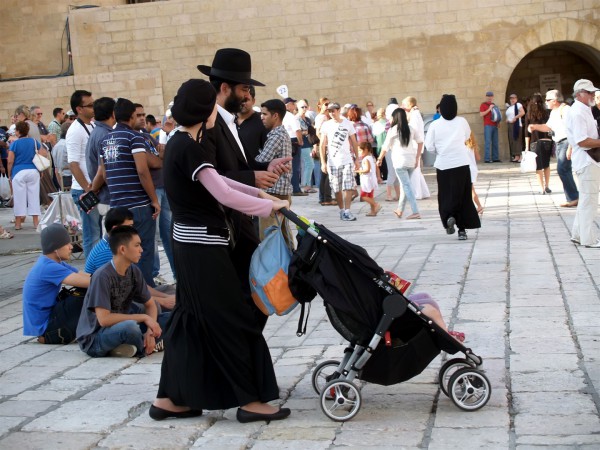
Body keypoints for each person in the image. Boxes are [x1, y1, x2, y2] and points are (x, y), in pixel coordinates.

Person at [151, 79, 291, 423]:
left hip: (190, 245)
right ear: (206, 111)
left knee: (190, 320)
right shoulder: (190, 147)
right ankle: (249, 400)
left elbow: (222, 182)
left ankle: (170, 398)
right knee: (234, 318)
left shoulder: (181, 143)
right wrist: (270, 208)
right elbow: (224, 195)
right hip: (201, 248)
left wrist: (260, 195)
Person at [197, 47, 290, 330]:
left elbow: (238, 163)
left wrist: (265, 168)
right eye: (245, 89)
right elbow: (212, 176)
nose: (249, 96)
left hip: (239, 223)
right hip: (223, 228)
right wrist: (252, 179)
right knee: (244, 301)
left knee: (254, 300)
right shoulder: (208, 126)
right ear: (226, 88)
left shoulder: (230, 122)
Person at [90, 98, 160, 288]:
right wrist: (154, 200)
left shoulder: (105, 140)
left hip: (117, 207)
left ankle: (127, 289)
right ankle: (146, 292)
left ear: (115, 115)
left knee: (123, 252)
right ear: (131, 116)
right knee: (142, 251)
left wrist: (91, 190)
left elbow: (103, 173)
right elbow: (142, 170)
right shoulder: (135, 138)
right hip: (138, 205)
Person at [76, 225, 170, 357]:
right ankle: (150, 345)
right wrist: (144, 317)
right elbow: (104, 320)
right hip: (96, 338)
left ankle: (138, 344)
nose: (141, 250)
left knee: (173, 317)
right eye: (137, 245)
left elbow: (150, 304)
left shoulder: (134, 271)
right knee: (130, 327)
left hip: (121, 326)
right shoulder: (102, 276)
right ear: (122, 249)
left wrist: (150, 330)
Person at [85, 207, 176, 311]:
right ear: (115, 229)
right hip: (111, 302)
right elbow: (124, 294)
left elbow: (138, 286)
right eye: (129, 227)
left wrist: (166, 297)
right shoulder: (106, 253)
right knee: (156, 305)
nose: (133, 230)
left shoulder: (119, 247)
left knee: (169, 290)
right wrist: (163, 300)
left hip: (128, 293)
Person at [22, 223, 91, 344]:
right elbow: (89, 282)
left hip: (49, 320)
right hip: (46, 327)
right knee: (87, 292)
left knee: (92, 289)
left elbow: (83, 275)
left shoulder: (53, 262)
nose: (71, 247)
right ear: (55, 248)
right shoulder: (48, 267)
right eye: (67, 244)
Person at [425, 94, 481, 240]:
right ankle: (462, 230)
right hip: (462, 164)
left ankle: (449, 216)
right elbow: (467, 136)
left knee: (445, 195)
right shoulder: (462, 122)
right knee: (463, 196)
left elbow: (429, 146)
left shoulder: (434, 125)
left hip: (444, 165)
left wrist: (440, 151)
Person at [564, 79, 600, 248]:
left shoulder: (584, 109)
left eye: (593, 92)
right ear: (579, 94)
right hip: (587, 161)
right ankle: (589, 239)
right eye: (590, 92)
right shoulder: (578, 112)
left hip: (587, 160)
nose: (593, 95)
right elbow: (582, 141)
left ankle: (579, 234)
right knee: (589, 201)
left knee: (586, 199)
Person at [528, 90, 578, 207]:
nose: (545, 102)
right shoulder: (554, 112)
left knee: (562, 169)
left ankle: (574, 197)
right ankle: (573, 197)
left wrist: (570, 147)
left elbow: (572, 129)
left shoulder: (565, 110)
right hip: (559, 143)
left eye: (548, 100)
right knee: (564, 170)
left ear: (554, 101)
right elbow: (548, 127)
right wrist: (535, 126)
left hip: (566, 142)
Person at [66, 90, 99, 257]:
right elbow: (73, 164)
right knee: (91, 235)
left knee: (98, 234)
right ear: (79, 109)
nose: (94, 108)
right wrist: (87, 189)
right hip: (84, 190)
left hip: (94, 188)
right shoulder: (75, 130)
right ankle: (92, 276)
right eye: (90, 105)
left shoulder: (92, 125)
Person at [255, 99, 293, 241]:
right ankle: (293, 262)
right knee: (283, 235)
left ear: (275, 116)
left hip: (273, 192)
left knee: (268, 236)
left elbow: (260, 161)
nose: (261, 117)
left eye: (265, 114)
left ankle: (272, 264)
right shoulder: (281, 134)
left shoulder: (276, 136)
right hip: (282, 192)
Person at [377, 107, 421, 220]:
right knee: (404, 186)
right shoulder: (410, 128)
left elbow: (385, 147)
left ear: (395, 117)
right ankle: (400, 210)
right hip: (411, 160)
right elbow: (420, 142)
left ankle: (415, 211)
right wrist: (417, 157)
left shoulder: (393, 130)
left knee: (406, 186)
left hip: (399, 161)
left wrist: (380, 158)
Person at [319, 102, 360, 221]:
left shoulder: (348, 124)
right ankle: (342, 210)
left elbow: (354, 141)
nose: (332, 113)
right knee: (336, 188)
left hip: (346, 159)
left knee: (347, 186)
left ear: (339, 110)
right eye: (330, 111)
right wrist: (323, 162)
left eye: (334, 111)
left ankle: (347, 211)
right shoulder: (326, 125)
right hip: (332, 161)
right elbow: (322, 144)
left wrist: (357, 159)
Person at [7, 121, 44, 230]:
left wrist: (9, 174)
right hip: (33, 171)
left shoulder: (14, 144)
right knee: (34, 196)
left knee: (19, 197)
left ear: (17, 131)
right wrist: (40, 170)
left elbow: (10, 161)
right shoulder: (34, 142)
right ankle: (36, 222)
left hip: (18, 172)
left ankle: (18, 223)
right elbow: (41, 155)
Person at [524, 93, 553, 194]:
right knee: (546, 164)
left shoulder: (529, 114)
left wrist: (527, 147)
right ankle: (547, 186)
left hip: (535, 141)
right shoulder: (547, 112)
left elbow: (526, 132)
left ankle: (541, 188)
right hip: (547, 140)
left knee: (538, 166)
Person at [283, 97, 306, 196]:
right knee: (295, 166)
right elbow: (297, 130)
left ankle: (290, 187)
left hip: (285, 140)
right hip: (293, 141)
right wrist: (300, 141)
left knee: (287, 166)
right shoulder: (290, 116)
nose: (295, 105)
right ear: (288, 105)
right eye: (293, 103)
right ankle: (295, 189)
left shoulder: (281, 115)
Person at [314, 97, 335, 206]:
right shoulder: (321, 117)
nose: (328, 106)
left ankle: (324, 197)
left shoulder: (324, 117)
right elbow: (318, 132)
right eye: (326, 104)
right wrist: (326, 142)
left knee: (324, 174)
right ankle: (326, 198)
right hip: (325, 147)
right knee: (327, 173)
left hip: (324, 146)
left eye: (329, 104)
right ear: (320, 106)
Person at [296, 99, 316, 193]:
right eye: (302, 107)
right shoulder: (297, 118)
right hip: (302, 143)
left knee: (308, 164)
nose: (304, 108)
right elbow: (297, 131)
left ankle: (307, 184)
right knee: (309, 164)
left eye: (305, 106)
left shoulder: (307, 118)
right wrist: (307, 132)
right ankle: (305, 185)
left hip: (309, 142)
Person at [356, 142, 381, 216]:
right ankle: (373, 211)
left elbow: (367, 170)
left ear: (366, 149)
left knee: (364, 196)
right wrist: (378, 176)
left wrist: (358, 171)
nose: (359, 153)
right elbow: (376, 168)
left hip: (367, 180)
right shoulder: (372, 157)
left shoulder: (366, 159)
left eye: (360, 151)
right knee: (370, 196)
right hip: (371, 179)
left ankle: (376, 205)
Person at [480, 91, 500, 163]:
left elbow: (496, 115)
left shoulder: (494, 105)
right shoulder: (483, 105)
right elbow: (481, 114)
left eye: (491, 96)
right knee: (488, 142)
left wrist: (498, 122)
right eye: (488, 96)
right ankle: (487, 159)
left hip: (494, 125)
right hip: (487, 125)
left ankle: (495, 158)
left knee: (495, 142)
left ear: (492, 97)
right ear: (486, 97)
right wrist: (489, 109)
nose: (489, 97)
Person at [465, 131, 483, 214]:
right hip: (473, 169)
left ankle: (479, 206)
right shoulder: (472, 146)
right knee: (469, 189)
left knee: (471, 190)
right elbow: (478, 158)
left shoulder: (462, 147)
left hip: (466, 169)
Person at [505, 94, 525, 163]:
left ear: (516, 99)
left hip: (516, 125)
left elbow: (522, 112)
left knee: (517, 140)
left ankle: (520, 155)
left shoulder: (518, 105)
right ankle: (516, 156)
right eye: (511, 98)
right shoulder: (509, 107)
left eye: (514, 98)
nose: (512, 99)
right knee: (512, 140)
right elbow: (508, 116)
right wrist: (507, 119)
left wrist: (515, 117)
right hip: (510, 124)